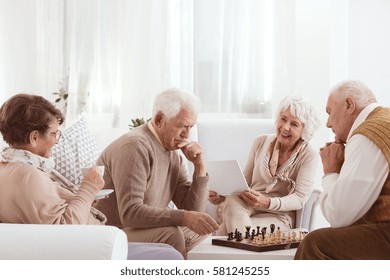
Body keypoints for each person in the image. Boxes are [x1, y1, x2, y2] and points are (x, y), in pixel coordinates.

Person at [0, 93, 184, 260]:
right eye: (54, 134)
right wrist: (89, 187)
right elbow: (64, 231)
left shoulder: (11, 168)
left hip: (91, 239)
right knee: (168, 255)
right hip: (89, 247)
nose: (56, 141)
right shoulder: (29, 176)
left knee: (167, 244)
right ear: (34, 137)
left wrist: (88, 200)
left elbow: (48, 215)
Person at [95, 88, 219, 259]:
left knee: (203, 231)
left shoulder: (173, 153)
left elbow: (193, 210)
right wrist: (184, 217)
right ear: (160, 119)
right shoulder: (135, 146)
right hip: (113, 232)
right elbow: (130, 213)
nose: (187, 134)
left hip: (138, 229)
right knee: (172, 234)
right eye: (182, 126)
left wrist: (199, 167)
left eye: (191, 127)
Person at [295, 80, 390, 260]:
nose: (328, 124)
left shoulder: (368, 134)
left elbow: (338, 215)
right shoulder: (385, 119)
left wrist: (331, 170)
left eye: (330, 112)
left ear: (349, 104)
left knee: (315, 243)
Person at [215, 96, 321, 235]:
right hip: (248, 207)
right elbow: (245, 182)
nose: (285, 127)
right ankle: (244, 245)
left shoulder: (309, 154)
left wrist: (267, 202)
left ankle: (242, 244)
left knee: (224, 232)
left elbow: (300, 197)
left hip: (278, 215)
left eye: (294, 124)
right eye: (283, 119)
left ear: (304, 131)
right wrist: (221, 194)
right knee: (233, 200)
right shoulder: (260, 141)